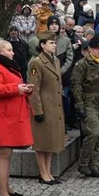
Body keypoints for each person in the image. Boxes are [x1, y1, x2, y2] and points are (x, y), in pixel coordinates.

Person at [0, 40, 34, 196]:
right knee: (3, 154)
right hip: (2, 117)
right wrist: (16, 89)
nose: (13, 53)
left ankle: (6, 187)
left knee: (7, 154)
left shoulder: (8, 66)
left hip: (10, 116)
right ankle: (2, 191)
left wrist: (24, 89)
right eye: (9, 50)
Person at [71, 35, 99, 178]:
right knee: (93, 133)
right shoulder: (82, 64)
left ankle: (94, 165)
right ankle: (84, 164)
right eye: (96, 49)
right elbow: (76, 85)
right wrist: (79, 105)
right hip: (89, 102)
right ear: (90, 49)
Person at [27, 33, 65, 185]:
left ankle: (48, 172)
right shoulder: (37, 62)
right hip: (43, 106)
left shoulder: (55, 60)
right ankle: (43, 173)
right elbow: (34, 89)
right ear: (42, 45)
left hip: (54, 106)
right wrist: (37, 111)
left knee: (50, 142)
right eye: (51, 43)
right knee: (42, 142)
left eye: (55, 43)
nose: (54, 45)